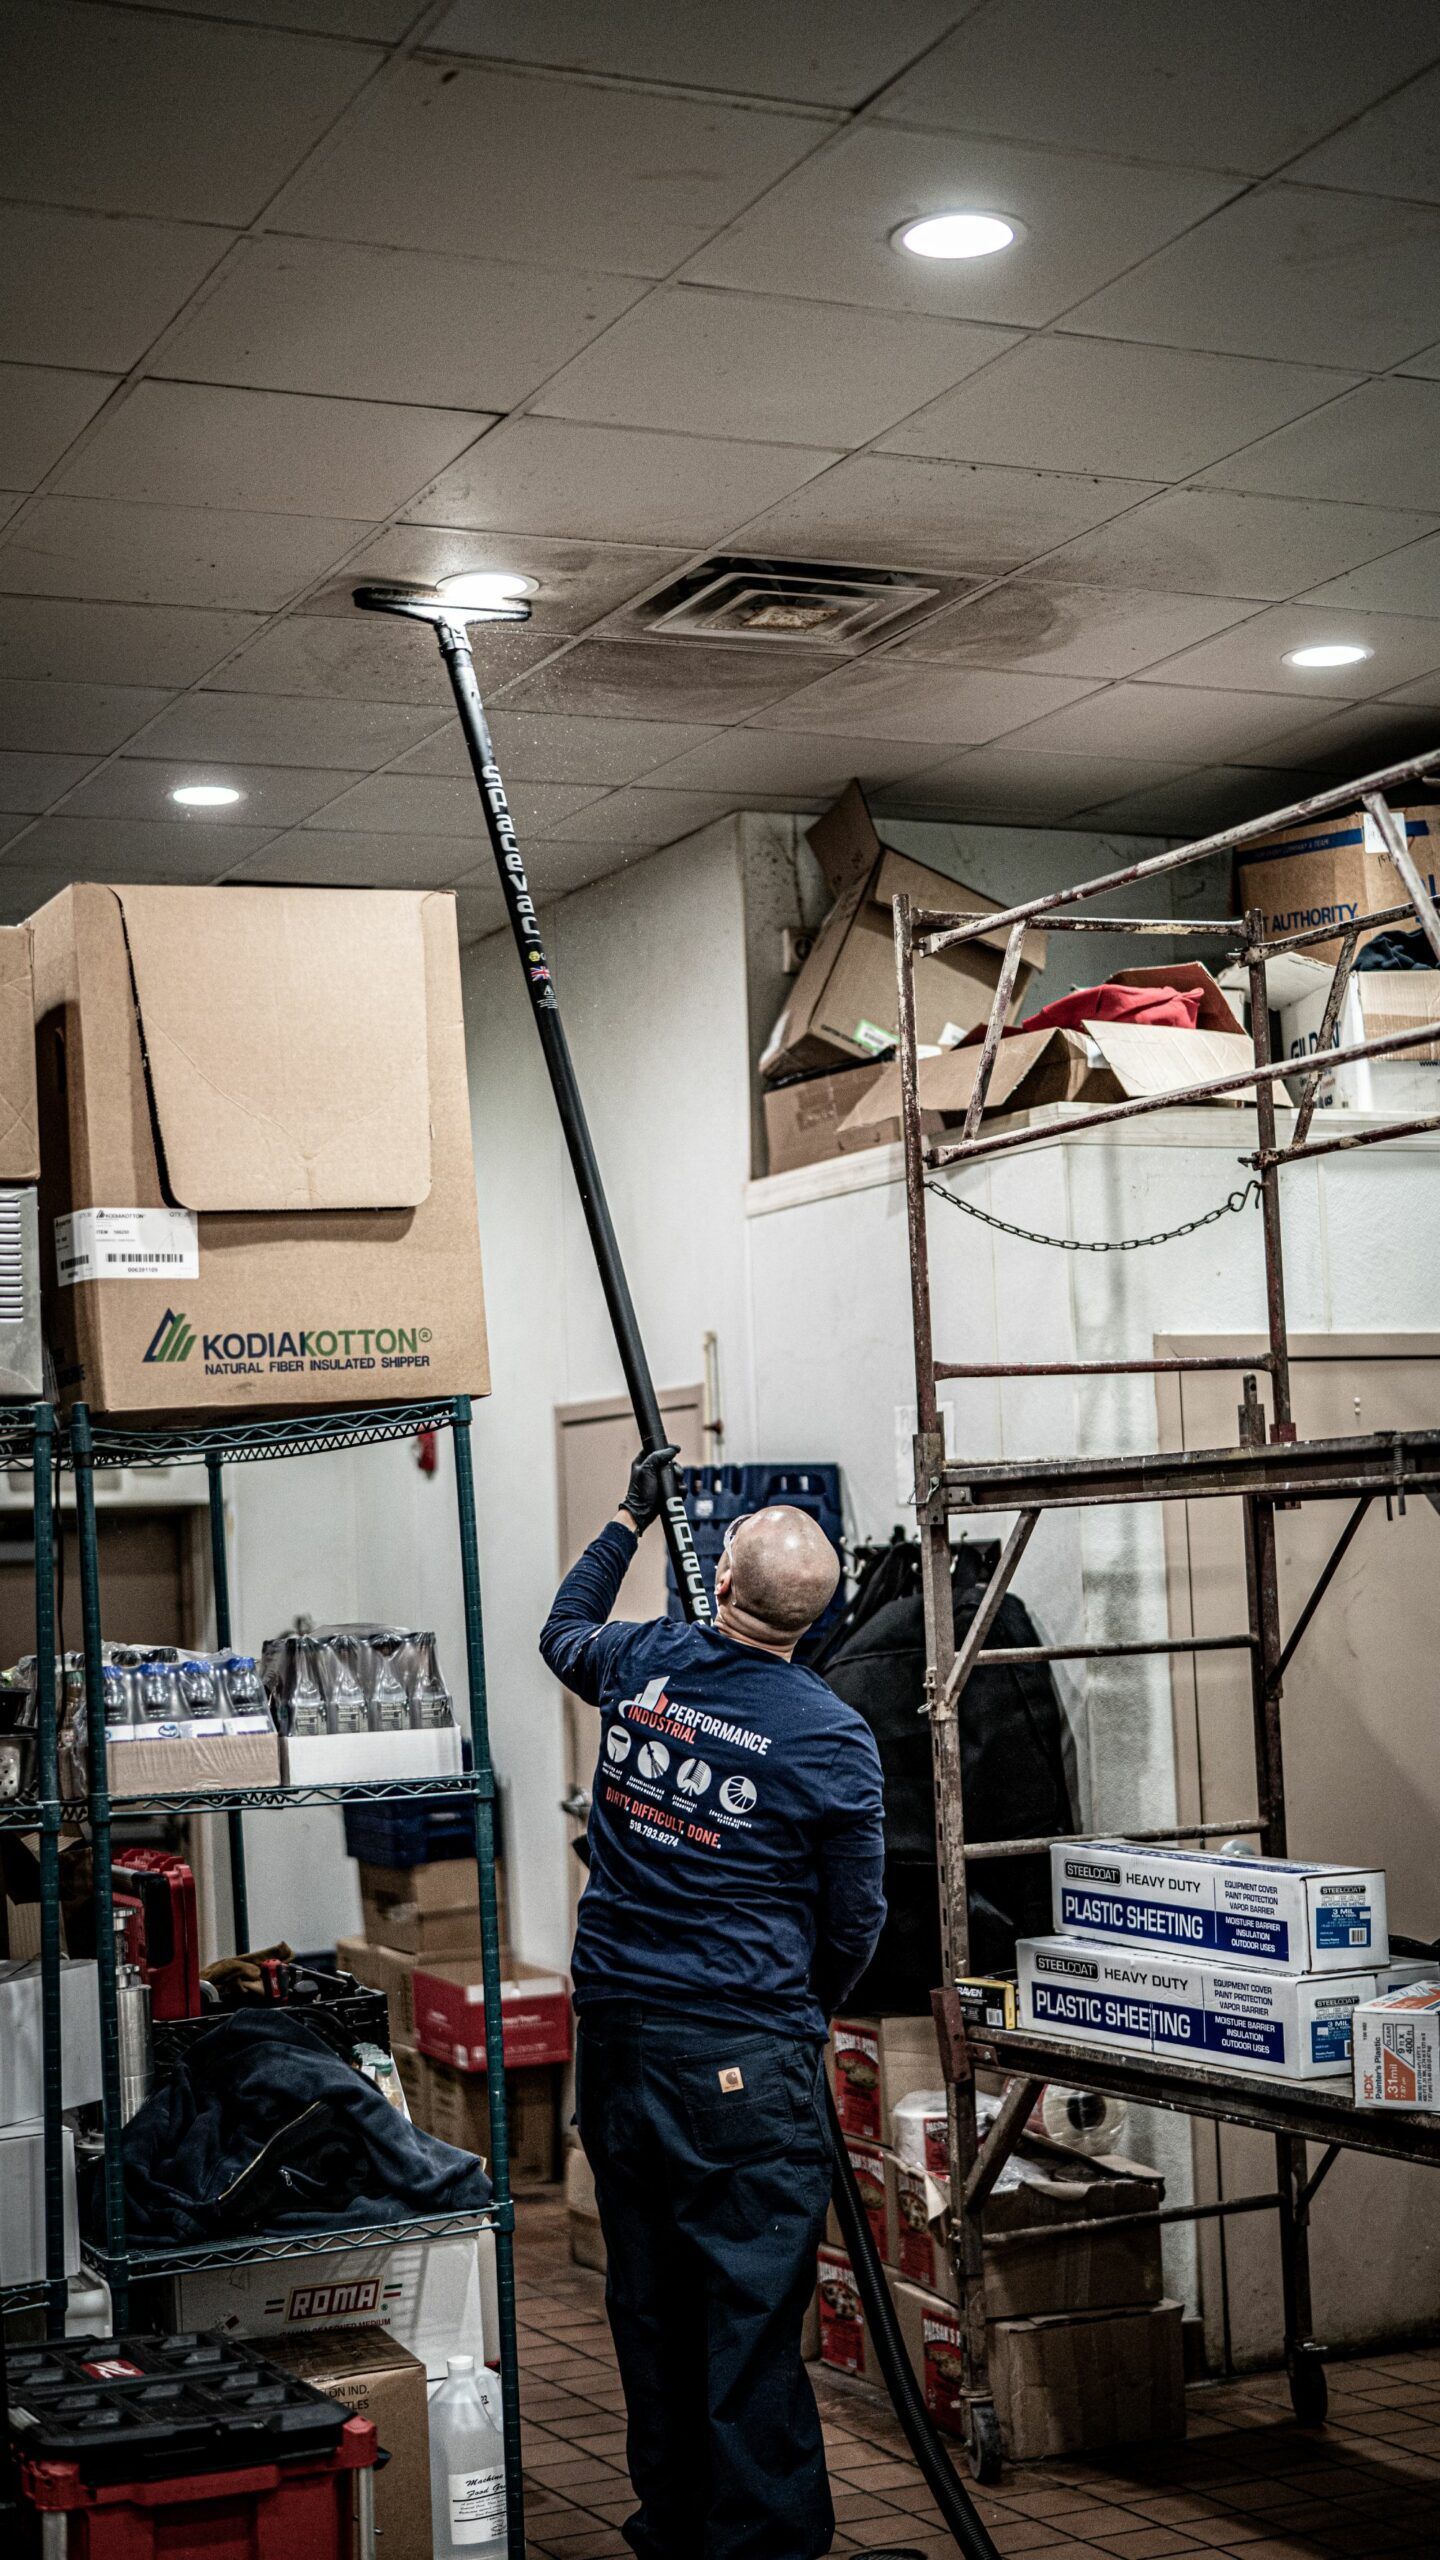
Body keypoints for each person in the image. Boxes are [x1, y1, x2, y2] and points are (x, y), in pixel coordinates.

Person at [540, 1446, 891, 2560]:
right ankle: (762, 2549)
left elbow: (563, 1629)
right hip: (744, 2056)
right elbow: (857, 1920)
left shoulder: (643, 1659)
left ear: (720, 1586)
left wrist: (627, 1516)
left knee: (650, 2314)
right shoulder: (831, 1734)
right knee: (747, 2328)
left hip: (622, 2044)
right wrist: (801, 2008)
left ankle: (676, 2532)